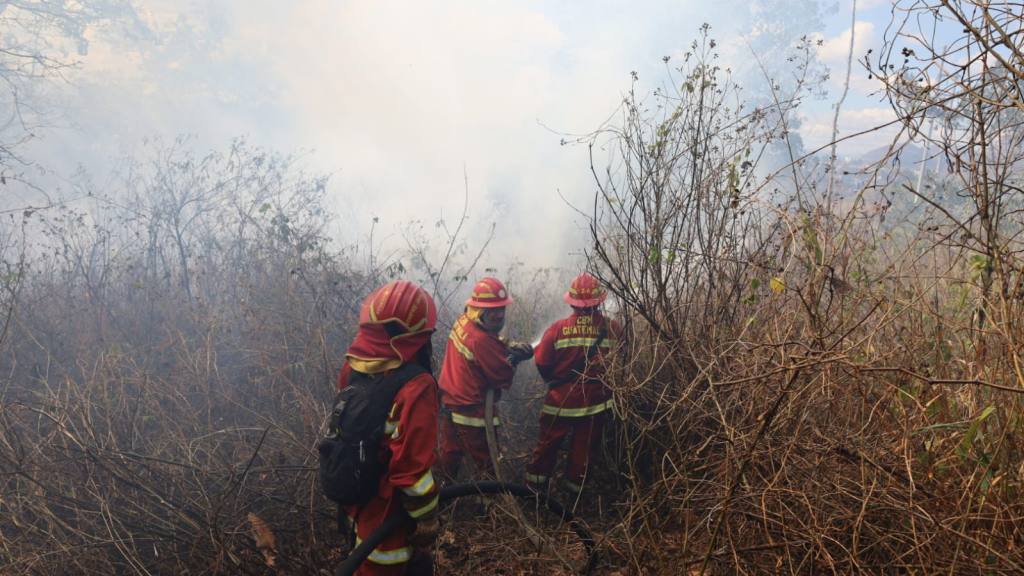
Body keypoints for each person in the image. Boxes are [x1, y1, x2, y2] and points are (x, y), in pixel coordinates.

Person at [338, 280, 441, 575]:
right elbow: (411, 470)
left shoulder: (353, 368)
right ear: (420, 336)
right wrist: (427, 517)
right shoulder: (417, 385)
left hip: (357, 499)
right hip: (388, 513)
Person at [526, 272, 621, 496]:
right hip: (595, 402)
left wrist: (555, 381)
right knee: (584, 449)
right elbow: (620, 361)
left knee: (547, 446)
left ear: (572, 302)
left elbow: (542, 362)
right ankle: (573, 496)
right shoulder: (614, 329)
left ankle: (533, 492)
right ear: (600, 301)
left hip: (560, 401)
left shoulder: (557, 330)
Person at [437, 277, 533, 478]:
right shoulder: (480, 341)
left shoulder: (464, 320)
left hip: (449, 402)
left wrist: (507, 345)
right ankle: (491, 503)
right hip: (472, 410)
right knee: (487, 462)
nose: (499, 315)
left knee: (449, 456)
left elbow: (489, 341)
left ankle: (444, 496)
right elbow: (501, 376)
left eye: (502, 309)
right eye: (493, 311)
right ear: (481, 311)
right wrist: (513, 359)